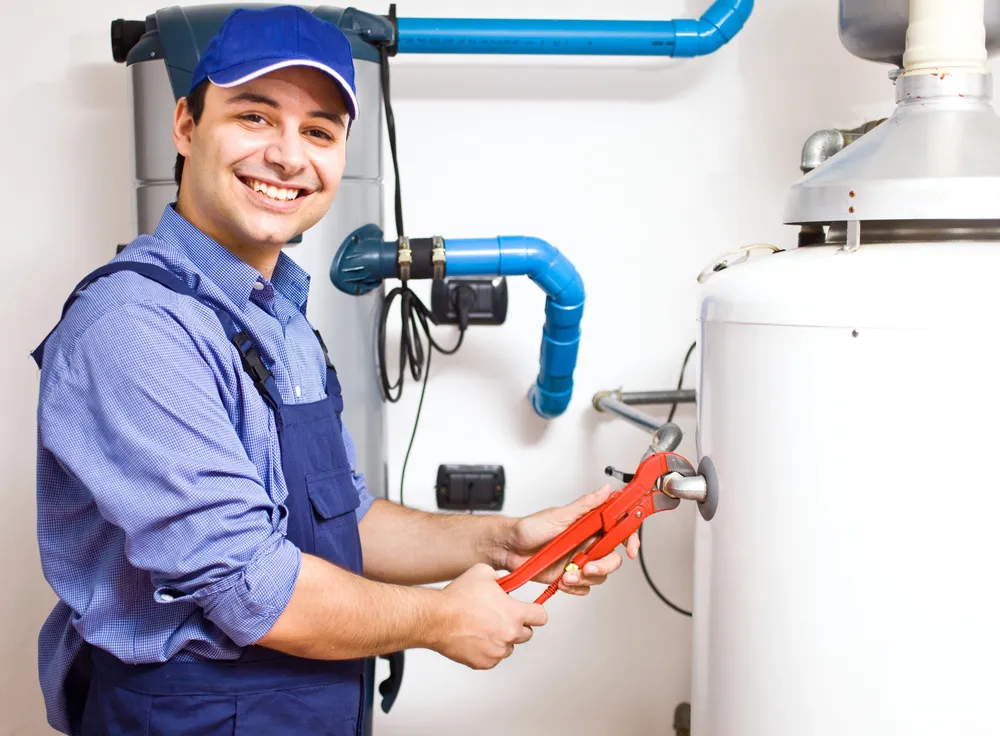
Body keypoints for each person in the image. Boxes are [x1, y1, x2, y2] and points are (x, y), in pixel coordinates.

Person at [32, 6, 638, 735]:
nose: (289, 156)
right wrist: (442, 617)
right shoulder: (135, 328)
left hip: (305, 705)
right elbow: (251, 586)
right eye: (255, 117)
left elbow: (343, 519)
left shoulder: (279, 317)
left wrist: (506, 541)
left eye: (319, 131)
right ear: (187, 127)